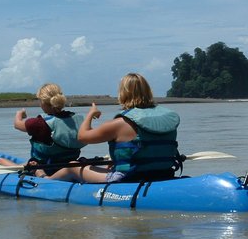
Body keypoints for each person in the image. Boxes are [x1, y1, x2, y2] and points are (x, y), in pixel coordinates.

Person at [50, 73, 182, 183]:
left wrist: (90, 114)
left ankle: (45, 180)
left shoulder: (120, 123)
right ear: (148, 92)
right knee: (110, 164)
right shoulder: (167, 119)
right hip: (165, 173)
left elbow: (82, 136)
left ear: (123, 94)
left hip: (129, 178)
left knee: (72, 167)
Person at [0, 83, 86, 176]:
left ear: (43, 102)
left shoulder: (39, 123)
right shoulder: (77, 119)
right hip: (68, 163)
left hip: (45, 168)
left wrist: (19, 114)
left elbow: (17, 124)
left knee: (1, 160)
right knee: (25, 163)